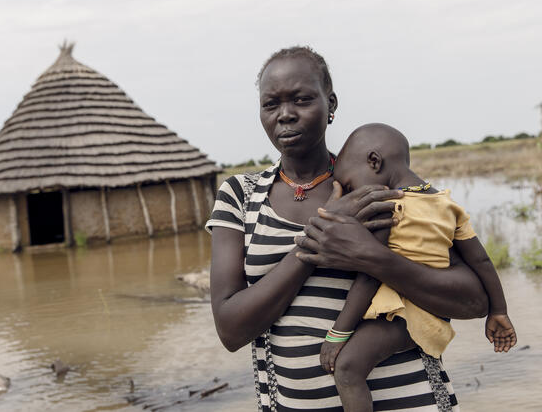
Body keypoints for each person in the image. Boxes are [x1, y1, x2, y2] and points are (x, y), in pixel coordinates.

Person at [206, 46, 488, 411]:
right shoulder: (240, 197)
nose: (286, 115)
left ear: (331, 104)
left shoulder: (378, 185)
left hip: (412, 400)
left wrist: (371, 256)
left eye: (302, 99)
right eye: (271, 104)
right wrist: (318, 240)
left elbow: (474, 300)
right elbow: (230, 330)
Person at [313, 122, 517, 411]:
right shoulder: (446, 204)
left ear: (374, 161)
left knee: (347, 368)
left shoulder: (387, 207)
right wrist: (499, 311)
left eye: (347, 185)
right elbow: (481, 261)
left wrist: (338, 334)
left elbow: (370, 275)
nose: (347, 194)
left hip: (405, 317)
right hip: (433, 316)